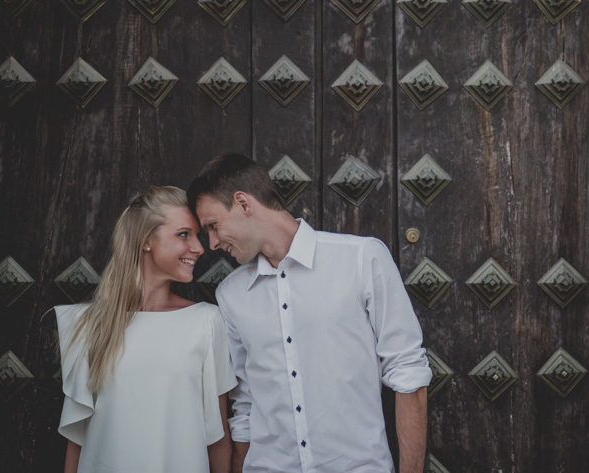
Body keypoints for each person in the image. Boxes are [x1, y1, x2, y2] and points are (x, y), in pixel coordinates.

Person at [187, 153, 432, 473]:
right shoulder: (231, 295)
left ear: (244, 203)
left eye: (213, 226)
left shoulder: (361, 260)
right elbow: (244, 406)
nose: (214, 243)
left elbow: (408, 375)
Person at [56, 186, 237, 473]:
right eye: (183, 234)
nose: (199, 248)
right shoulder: (89, 324)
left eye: (197, 236)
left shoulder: (206, 322)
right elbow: (77, 437)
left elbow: (217, 435)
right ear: (146, 241)